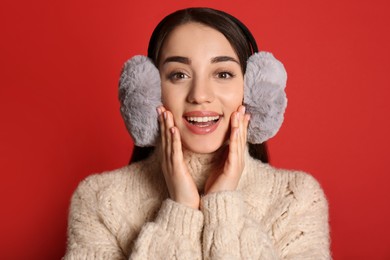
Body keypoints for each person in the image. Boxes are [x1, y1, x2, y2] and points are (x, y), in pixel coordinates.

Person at [63, 7, 330, 259]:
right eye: (179, 75)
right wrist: (180, 210)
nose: (200, 95)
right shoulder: (98, 198)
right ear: (150, 92)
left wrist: (223, 206)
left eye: (223, 74)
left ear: (252, 91)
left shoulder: (297, 198)